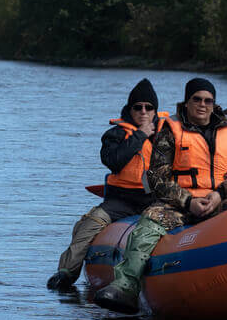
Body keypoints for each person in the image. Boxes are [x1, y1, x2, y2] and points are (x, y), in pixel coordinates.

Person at [94, 78, 227, 314]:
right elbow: (157, 178)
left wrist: (220, 194)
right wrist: (188, 202)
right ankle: (126, 286)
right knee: (148, 224)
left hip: (222, 199)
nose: (202, 105)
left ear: (214, 103)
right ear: (187, 102)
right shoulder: (171, 130)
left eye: (208, 101)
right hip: (180, 202)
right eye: (197, 100)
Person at [48, 79, 160, 290]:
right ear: (130, 109)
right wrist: (141, 135)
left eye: (149, 107)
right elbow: (114, 161)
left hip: (152, 200)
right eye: (138, 107)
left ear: (155, 110)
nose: (143, 111)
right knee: (89, 224)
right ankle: (66, 272)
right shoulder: (115, 135)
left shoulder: (166, 135)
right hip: (120, 201)